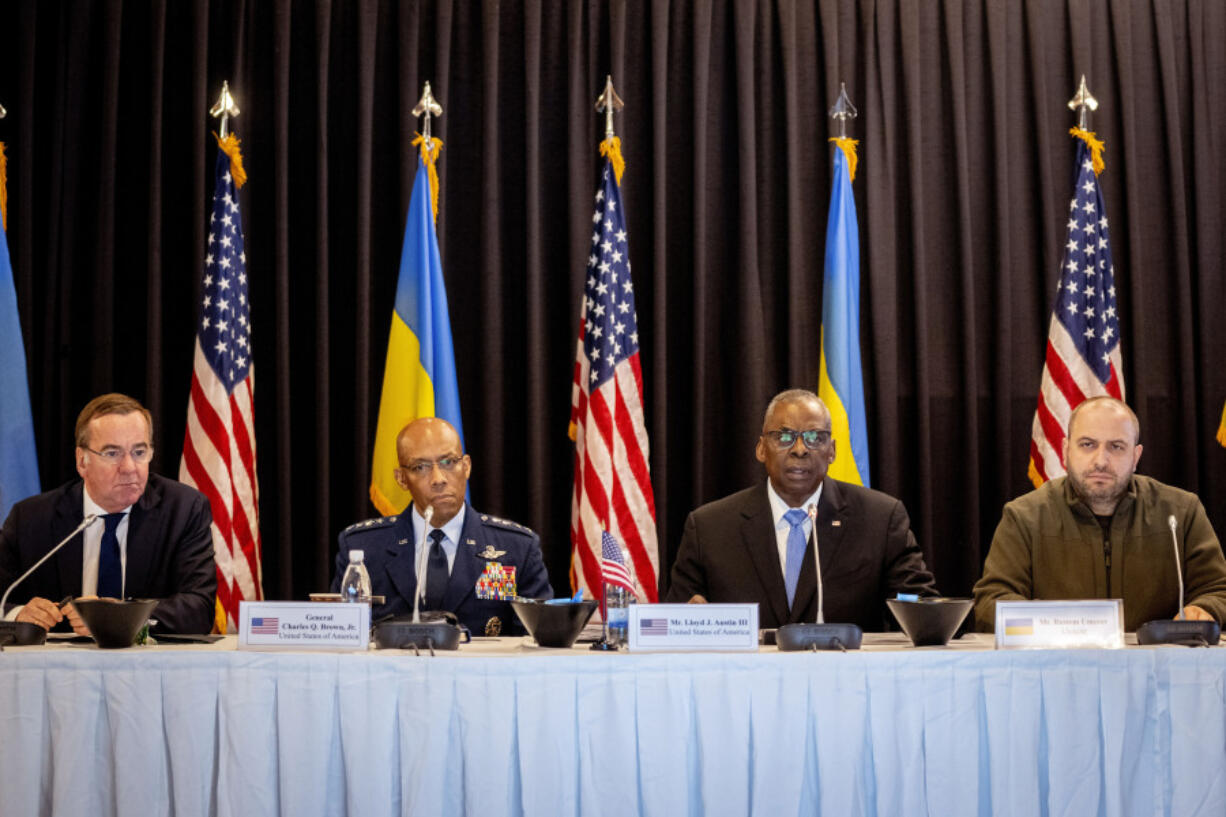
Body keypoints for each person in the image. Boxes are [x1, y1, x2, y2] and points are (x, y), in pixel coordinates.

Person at [666, 388, 936, 630]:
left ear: (831, 451)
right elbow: (674, 621)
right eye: (784, 437)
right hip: (746, 682)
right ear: (761, 449)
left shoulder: (880, 519)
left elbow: (919, 604)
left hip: (844, 680)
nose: (799, 449)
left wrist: (919, 607)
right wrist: (688, 618)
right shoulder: (709, 528)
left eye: (814, 437)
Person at [973, 396, 1226, 632]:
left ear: (1135, 456)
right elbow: (992, 602)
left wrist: (1204, 609)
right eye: (1087, 444)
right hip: (1056, 670)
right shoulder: (1024, 516)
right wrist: (1055, 627)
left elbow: (1218, 590)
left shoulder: (1181, 512)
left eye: (1116, 447)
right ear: (1065, 449)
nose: (1101, 460)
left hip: (1159, 672)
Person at [0, 393, 217, 635]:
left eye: (139, 452)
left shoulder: (184, 510)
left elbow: (200, 608)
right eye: (112, 453)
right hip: (60, 668)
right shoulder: (30, 519)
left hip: (148, 668)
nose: (129, 468)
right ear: (82, 461)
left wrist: (125, 617)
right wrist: (17, 613)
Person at [334, 417, 552, 635]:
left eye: (448, 462)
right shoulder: (364, 548)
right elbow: (341, 637)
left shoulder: (516, 548)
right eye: (420, 467)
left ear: (466, 467)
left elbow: (538, 642)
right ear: (401, 479)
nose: (438, 479)